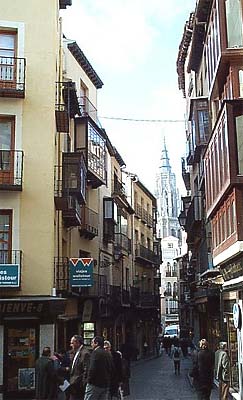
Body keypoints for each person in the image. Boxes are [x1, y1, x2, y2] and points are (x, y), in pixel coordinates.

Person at [84, 336, 113, 400]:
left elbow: (92, 368)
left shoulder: (95, 353)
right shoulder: (107, 353)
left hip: (94, 384)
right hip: (105, 384)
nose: (91, 344)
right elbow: (111, 368)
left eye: (92, 342)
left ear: (96, 343)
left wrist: (88, 380)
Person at [69, 335, 90, 400]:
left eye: (72, 343)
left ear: (77, 343)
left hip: (78, 385)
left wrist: (82, 383)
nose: (70, 345)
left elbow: (86, 370)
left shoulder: (85, 353)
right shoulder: (75, 352)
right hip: (73, 384)